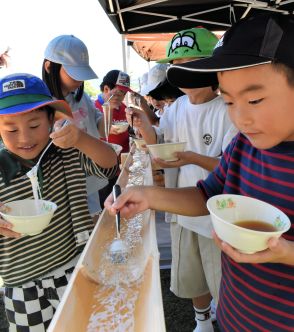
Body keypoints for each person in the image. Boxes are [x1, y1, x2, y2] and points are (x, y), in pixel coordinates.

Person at [106, 13, 294, 332]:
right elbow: (207, 194)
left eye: (254, 99)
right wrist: (150, 196)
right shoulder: (242, 148)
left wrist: (288, 254)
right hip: (235, 318)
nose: (240, 118)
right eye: (229, 101)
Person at [126, 27, 237, 332]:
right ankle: (202, 320)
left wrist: (190, 157)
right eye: (178, 65)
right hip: (181, 210)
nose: (184, 72)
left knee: (222, 281)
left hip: (217, 215)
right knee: (190, 275)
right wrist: (144, 123)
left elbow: (232, 166)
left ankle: (221, 315)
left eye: (192, 63)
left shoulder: (229, 110)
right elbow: (159, 142)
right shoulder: (176, 108)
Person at [0, 73, 118, 330]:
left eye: (33, 126)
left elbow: (109, 163)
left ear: (52, 119)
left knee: (83, 325)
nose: (24, 138)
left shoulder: (65, 153)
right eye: (10, 129)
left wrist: (80, 139)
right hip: (21, 284)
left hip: (72, 268)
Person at [42, 34, 111, 218]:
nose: (80, 81)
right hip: (63, 187)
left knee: (95, 225)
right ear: (49, 67)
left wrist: (110, 110)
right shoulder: (42, 104)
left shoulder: (82, 98)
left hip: (91, 179)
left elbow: (101, 129)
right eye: (74, 73)